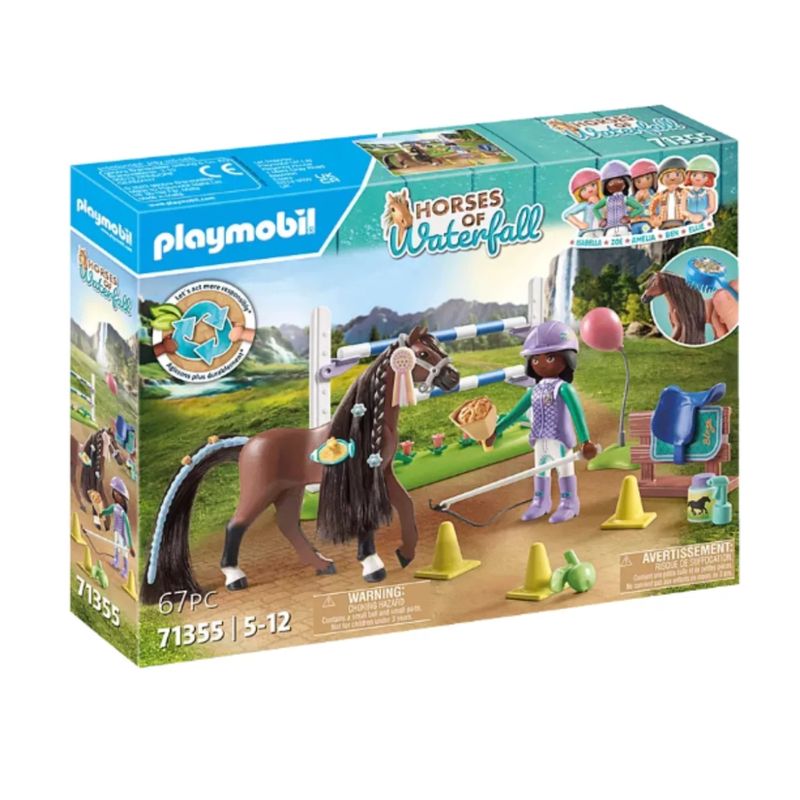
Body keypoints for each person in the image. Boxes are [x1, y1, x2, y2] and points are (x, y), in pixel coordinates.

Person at [519, 321, 597, 523]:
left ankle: (569, 503)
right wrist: (497, 429)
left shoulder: (563, 388)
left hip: (560, 439)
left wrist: (586, 441)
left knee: (565, 469)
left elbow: (577, 414)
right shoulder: (534, 390)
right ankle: (540, 501)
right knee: (540, 470)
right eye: (535, 359)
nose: (541, 363)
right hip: (539, 439)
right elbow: (516, 412)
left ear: (567, 359)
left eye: (550, 357)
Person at [593, 160, 644, 235]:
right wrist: (600, 219)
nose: (615, 183)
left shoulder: (625, 199)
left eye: (620, 180)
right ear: (605, 186)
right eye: (611, 182)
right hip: (609, 228)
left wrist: (629, 217)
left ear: (626, 182)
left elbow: (640, 208)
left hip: (623, 227)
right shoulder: (607, 200)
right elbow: (595, 208)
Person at [101, 476, 134, 579]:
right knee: (116, 546)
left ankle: (125, 569)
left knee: (123, 551)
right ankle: (115, 560)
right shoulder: (115, 507)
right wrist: (102, 513)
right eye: (115, 493)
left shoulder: (123, 513)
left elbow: (128, 529)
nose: (116, 495)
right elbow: (108, 511)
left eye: (118, 494)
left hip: (122, 535)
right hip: (116, 531)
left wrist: (130, 545)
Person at [562, 168, 603, 236]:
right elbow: (567, 214)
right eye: (584, 189)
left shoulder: (604, 202)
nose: (590, 190)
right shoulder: (586, 205)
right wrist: (579, 224)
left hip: (601, 230)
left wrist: (598, 202)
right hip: (588, 231)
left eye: (593, 185)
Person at [684, 154, 719, 222]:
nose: (698, 178)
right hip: (689, 220)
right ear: (689, 176)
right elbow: (682, 209)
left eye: (703, 176)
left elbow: (712, 208)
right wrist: (690, 215)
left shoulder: (709, 193)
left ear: (709, 178)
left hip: (705, 219)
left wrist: (702, 214)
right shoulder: (686, 193)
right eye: (694, 175)